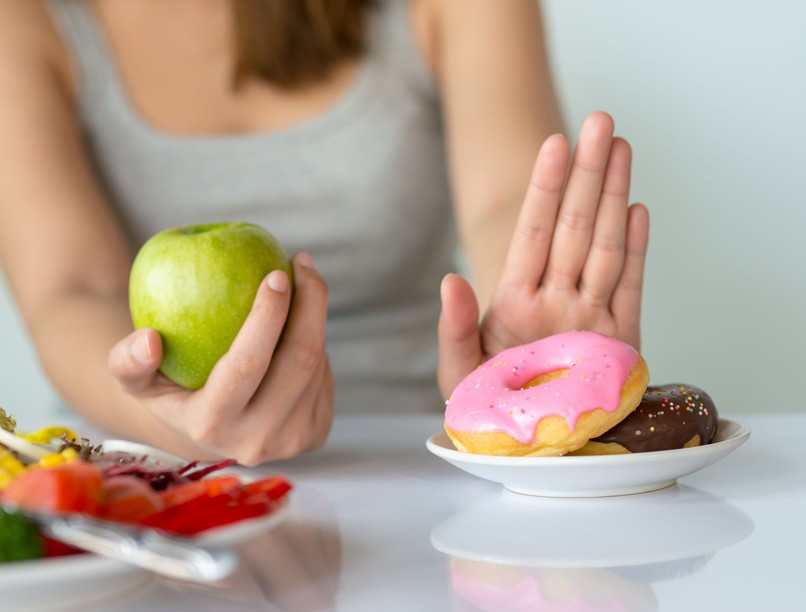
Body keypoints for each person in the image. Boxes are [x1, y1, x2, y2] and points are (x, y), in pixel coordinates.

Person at [0, 0, 648, 465]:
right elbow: (71, 288)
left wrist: (531, 340)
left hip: (413, 470)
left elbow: (506, 200)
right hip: (144, 479)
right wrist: (172, 424)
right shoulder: (27, 19)